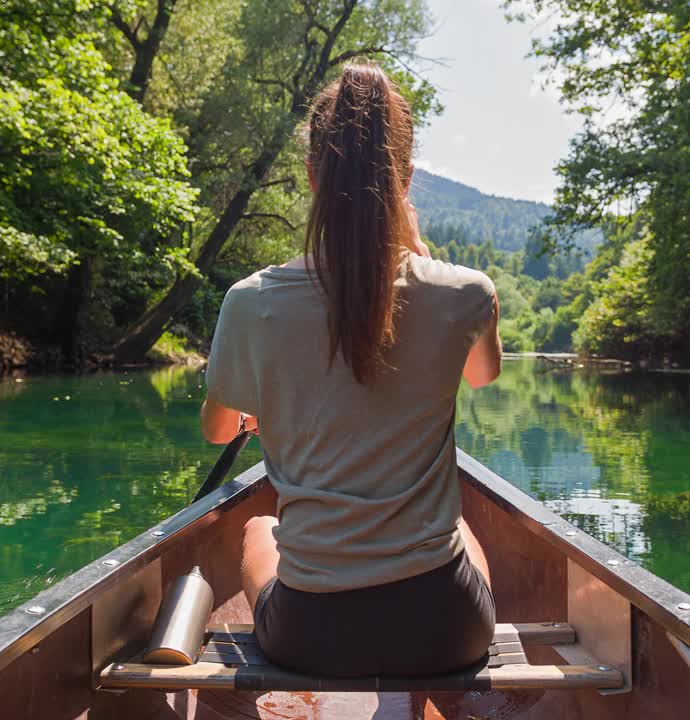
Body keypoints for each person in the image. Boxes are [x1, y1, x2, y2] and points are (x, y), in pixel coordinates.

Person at [199, 60, 503, 677]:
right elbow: (482, 375)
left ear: (312, 176)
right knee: (464, 533)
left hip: (312, 633)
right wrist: (421, 255)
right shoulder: (469, 291)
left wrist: (262, 412)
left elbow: (217, 429)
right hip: (446, 630)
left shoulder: (250, 300)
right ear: (407, 181)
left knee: (260, 527)